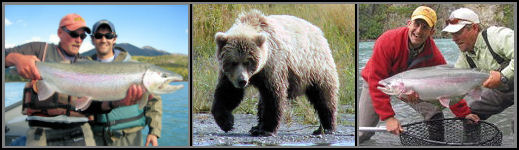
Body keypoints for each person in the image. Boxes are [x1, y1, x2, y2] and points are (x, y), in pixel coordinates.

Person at [5, 13, 145, 146]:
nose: (79, 40)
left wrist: (116, 103)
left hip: (81, 130)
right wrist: (15, 58)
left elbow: (95, 106)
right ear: (60, 33)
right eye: (74, 34)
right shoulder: (39, 49)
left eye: (83, 36)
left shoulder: (87, 63)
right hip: (41, 131)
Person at [358, 6, 479, 143]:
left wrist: (464, 113)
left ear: (432, 32)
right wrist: (388, 117)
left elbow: (448, 85)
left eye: (425, 27)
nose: (419, 31)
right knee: (363, 133)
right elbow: (375, 80)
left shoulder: (433, 54)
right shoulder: (387, 41)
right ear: (409, 23)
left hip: (410, 87)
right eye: (416, 24)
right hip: (378, 84)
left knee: (435, 114)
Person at [88, 20, 162, 146]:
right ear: (93, 39)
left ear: (114, 39)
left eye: (108, 36)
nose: (104, 39)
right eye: (99, 36)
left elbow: (153, 100)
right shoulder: (83, 67)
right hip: (97, 138)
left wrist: (154, 131)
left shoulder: (137, 68)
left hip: (131, 137)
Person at [442, 8, 514, 120]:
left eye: (458, 32)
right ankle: (471, 135)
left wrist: (503, 76)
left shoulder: (497, 36)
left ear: (475, 28)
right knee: (470, 113)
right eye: (452, 34)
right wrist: (432, 96)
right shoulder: (464, 59)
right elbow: (454, 89)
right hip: (501, 91)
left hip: (507, 81)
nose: (454, 39)